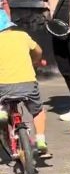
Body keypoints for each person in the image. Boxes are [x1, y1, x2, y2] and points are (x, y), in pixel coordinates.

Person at [0, 10, 50, 158]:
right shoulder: (22, 36)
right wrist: (36, 62)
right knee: (38, 111)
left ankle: (1, 109)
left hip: (3, 85)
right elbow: (38, 51)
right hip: (27, 83)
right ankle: (41, 139)